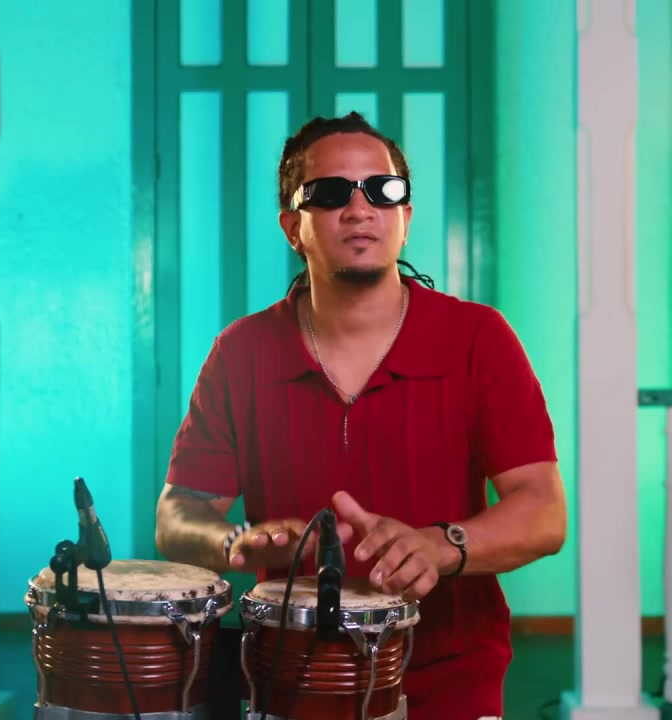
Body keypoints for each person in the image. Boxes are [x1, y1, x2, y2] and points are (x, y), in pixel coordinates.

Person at [155, 111, 567, 720]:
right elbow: (177, 515)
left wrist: (443, 545)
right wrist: (234, 540)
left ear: (406, 217)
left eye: (383, 189)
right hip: (290, 674)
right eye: (329, 193)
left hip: (450, 673)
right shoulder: (242, 351)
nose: (359, 209)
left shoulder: (479, 338)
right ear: (292, 227)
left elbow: (544, 511)